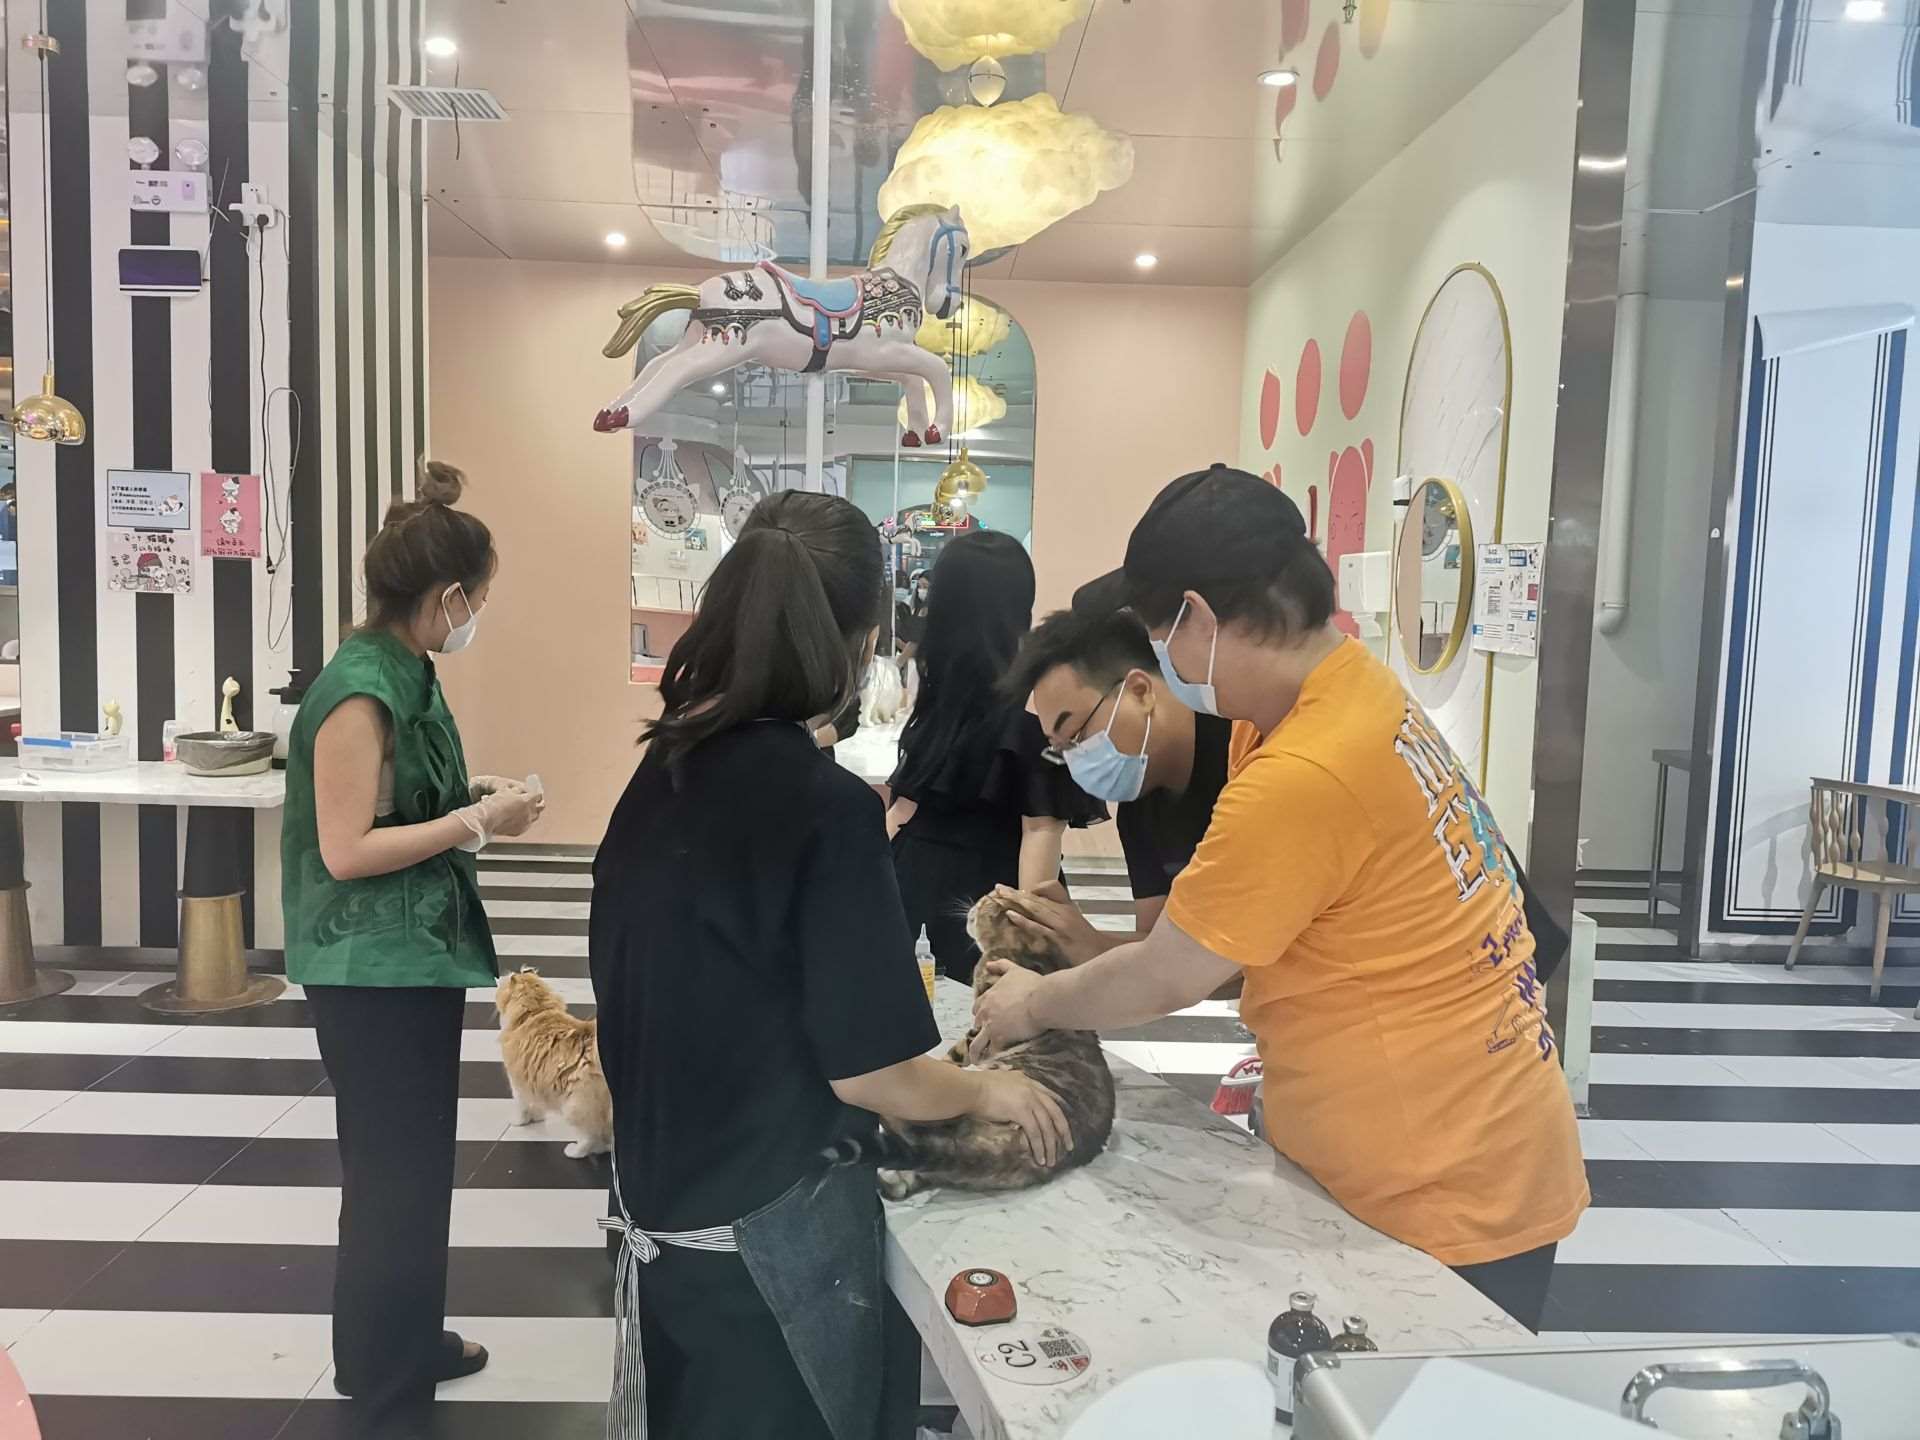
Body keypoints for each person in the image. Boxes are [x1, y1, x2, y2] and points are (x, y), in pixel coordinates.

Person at [973, 466, 1588, 1332]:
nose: (1163, 663)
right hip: (1466, 1132)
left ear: (1198, 617)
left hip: (1438, 1183)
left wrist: (1034, 1002)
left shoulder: (1307, 769)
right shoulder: (1343, 694)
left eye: (1160, 636)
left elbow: (1170, 973)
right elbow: (1237, 942)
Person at [589, 490, 1070, 1440]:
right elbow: (877, 1075)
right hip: (766, 1251)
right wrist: (987, 1091)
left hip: (659, 1214)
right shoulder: (827, 808)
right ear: (861, 643)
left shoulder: (659, 771)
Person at [281, 462, 545, 1436]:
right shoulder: (359, 691)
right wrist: (477, 824)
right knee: (394, 1177)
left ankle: (395, 1344)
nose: (479, 616)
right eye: (479, 599)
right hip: (369, 968)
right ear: (447, 596)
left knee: (412, 1167)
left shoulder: (406, 668)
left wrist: (476, 797)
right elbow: (347, 849)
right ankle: (388, 1390)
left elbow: (402, 797)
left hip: (412, 952)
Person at [886, 530, 1105, 981]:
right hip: (988, 901)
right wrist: (1031, 948)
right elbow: (1040, 831)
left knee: (918, 1008)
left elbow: (902, 810)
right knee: (990, 1014)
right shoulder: (1038, 702)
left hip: (911, 886)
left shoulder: (941, 695)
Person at [995, 603, 1235, 963]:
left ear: (1139, 691)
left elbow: (1249, 953)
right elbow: (1160, 945)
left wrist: (1092, 948)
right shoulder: (1140, 809)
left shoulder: (1243, 755)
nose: (1076, 762)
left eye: (1076, 735)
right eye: (1061, 750)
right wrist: (1074, 937)